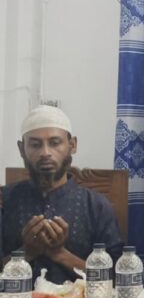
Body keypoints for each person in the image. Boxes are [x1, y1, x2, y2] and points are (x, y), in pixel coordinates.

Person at [1, 105, 123, 282]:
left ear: (72, 145)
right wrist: (26, 252)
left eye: (55, 143)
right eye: (35, 144)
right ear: (22, 149)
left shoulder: (96, 206)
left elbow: (118, 278)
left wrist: (60, 254)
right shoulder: (5, 201)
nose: (45, 153)